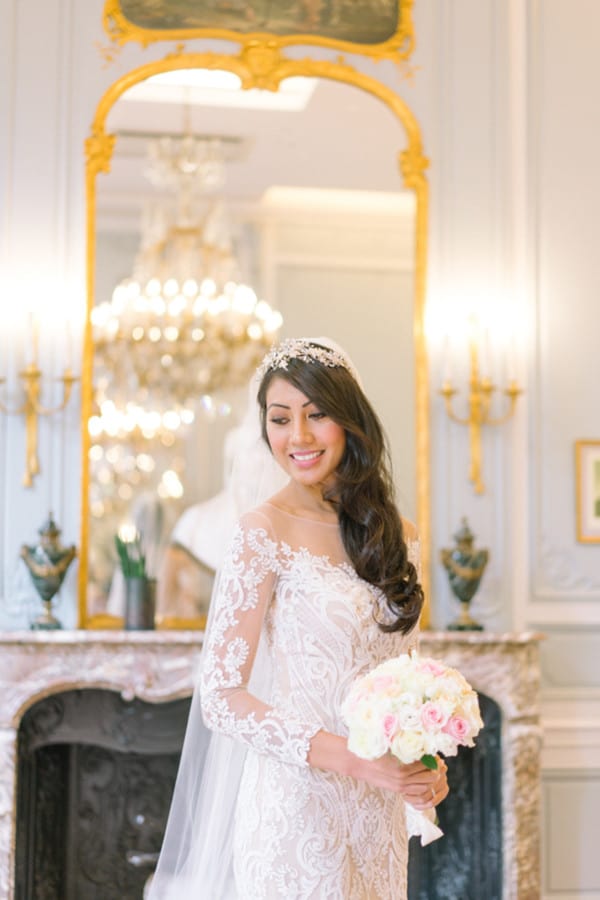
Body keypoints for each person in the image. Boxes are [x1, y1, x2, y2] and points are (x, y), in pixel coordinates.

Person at [148, 337, 449, 900]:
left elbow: (403, 683)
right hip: (294, 805)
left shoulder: (398, 536)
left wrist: (425, 763)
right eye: (280, 419)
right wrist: (360, 761)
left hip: (378, 813)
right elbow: (222, 698)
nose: (299, 437)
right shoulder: (261, 531)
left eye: (317, 415)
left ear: (350, 421)